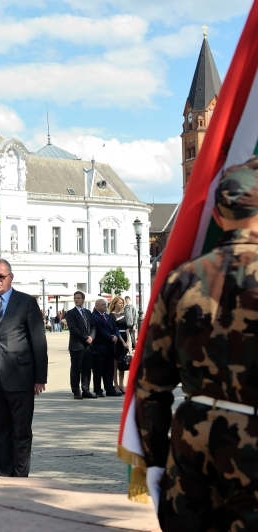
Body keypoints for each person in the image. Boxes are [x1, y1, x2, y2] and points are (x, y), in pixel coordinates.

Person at [137, 158, 258, 531]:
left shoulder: (181, 278)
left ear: (219, 216)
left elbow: (151, 382)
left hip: (192, 438)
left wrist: (156, 456)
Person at [0, 259, 47, 477]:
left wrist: (39, 377)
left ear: (10, 278)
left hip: (20, 376)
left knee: (21, 431)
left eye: (1, 276)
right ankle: (4, 477)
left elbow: (39, 342)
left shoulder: (25, 303)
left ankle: (20, 477)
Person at [66, 291, 95, 400]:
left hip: (88, 346)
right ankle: (76, 391)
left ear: (83, 299)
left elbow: (93, 326)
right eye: (75, 298)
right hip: (77, 345)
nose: (77, 300)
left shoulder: (87, 312)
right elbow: (73, 328)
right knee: (76, 369)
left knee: (87, 368)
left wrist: (91, 336)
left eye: (79, 298)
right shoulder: (70, 313)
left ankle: (86, 390)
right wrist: (85, 337)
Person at [90, 299, 121, 397]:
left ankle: (109, 389)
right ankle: (98, 390)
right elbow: (99, 330)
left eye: (105, 304)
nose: (105, 306)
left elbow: (115, 327)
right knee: (98, 370)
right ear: (97, 306)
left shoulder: (107, 316)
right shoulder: (94, 316)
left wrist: (115, 335)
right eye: (103, 305)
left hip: (110, 347)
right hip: (99, 347)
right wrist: (111, 337)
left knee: (109, 369)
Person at [108, 296, 129, 395]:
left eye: (122, 303)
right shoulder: (111, 316)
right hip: (117, 341)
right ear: (115, 303)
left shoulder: (123, 314)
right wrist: (122, 341)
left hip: (125, 339)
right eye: (120, 303)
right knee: (115, 364)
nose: (121, 305)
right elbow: (115, 329)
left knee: (123, 363)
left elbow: (127, 328)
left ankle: (121, 384)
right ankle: (115, 384)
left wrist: (128, 341)